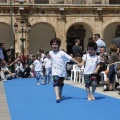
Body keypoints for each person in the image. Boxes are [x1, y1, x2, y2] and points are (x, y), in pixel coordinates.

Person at [49, 38, 81, 103]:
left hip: (62, 71)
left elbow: (70, 58)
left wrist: (78, 62)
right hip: (55, 71)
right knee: (56, 83)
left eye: (56, 44)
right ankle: (57, 96)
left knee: (60, 84)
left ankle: (60, 93)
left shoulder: (62, 53)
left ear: (59, 45)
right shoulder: (50, 52)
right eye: (53, 44)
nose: (54, 46)